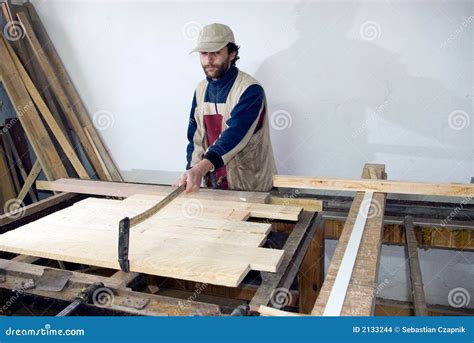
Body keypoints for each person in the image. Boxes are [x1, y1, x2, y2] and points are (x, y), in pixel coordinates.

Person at [177, 23, 276, 193]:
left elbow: (234, 135)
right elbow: (195, 138)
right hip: (214, 188)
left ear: (232, 54)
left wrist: (200, 169)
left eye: (216, 53)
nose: (208, 60)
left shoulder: (250, 90)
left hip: (250, 188)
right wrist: (191, 172)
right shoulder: (201, 89)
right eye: (204, 53)